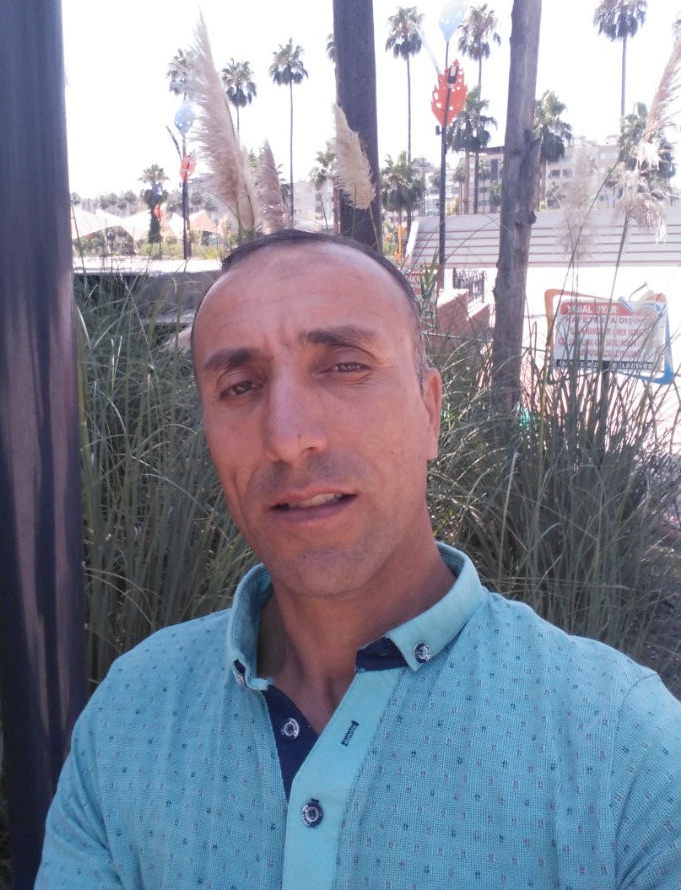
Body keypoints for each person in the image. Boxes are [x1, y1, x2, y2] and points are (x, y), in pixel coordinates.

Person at [36, 229, 681, 889]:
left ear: (429, 412)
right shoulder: (131, 718)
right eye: (240, 386)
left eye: (344, 366)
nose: (288, 437)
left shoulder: (621, 753)